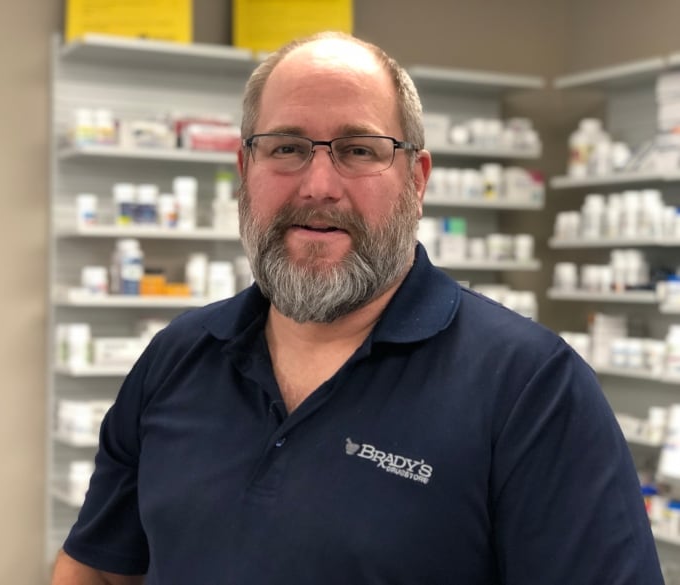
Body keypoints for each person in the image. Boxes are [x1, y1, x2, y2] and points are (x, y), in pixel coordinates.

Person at [51, 31, 664, 584]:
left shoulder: (534, 391)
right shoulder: (176, 358)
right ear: (245, 170)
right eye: (286, 147)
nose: (318, 185)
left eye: (359, 150)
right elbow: (100, 572)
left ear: (417, 180)